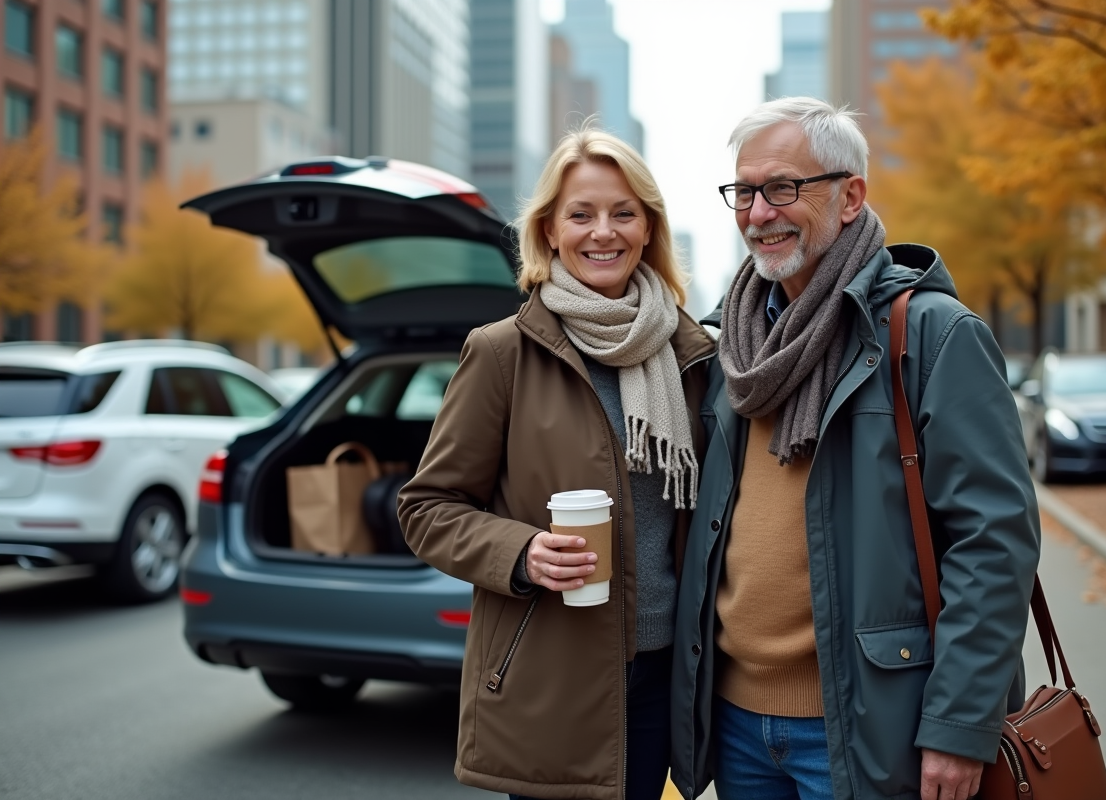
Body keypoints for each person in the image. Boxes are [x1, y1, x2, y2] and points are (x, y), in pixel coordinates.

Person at [670, 97, 1041, 800]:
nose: (758, 212)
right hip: (739, 727)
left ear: (851, 197)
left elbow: (993, 542)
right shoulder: (735, 347)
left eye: (783, 188)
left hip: (870, 727)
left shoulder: (931, 334)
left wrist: (959, 726)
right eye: (744, 192)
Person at [398, 128, 716, 800]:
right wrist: (522, 551)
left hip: (667, 677)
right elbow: (426, 509)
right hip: (549, 674)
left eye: (624, 212)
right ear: (548, 231)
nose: (604, 232)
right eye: (581, 214)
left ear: (649, 227)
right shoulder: (502, 353)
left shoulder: (694, 356)